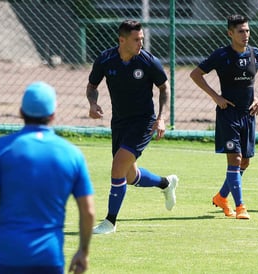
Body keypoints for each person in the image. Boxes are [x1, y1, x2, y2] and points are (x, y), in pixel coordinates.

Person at [0, 81, 95, 274]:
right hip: (49, 258)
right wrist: (83, 251)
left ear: (21, 112)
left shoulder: (0, 148)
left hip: (4, 255)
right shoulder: (72, 154)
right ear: (53, 115)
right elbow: (88, 211)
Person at [86, 19, 178, 234]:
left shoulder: (148, 61)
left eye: (142, 39)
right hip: (119, 122)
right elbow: (92, 86)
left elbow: (164, 88)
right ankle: (166, 183)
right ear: (122, 40)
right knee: (129, 176)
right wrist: (92, 103)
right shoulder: (105, 60)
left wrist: (161, 118)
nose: (141, 43)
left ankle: (110, 222)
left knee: (118, 166)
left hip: (143, 121)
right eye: (136, 40)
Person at [190, 15, 258, 219]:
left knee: (245, 163)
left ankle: (221, 197)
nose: (246, 35)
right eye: (241, 31)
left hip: (249, 114)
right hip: (229, 115)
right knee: (235, 159)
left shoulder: (255, 53)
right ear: (230, 33)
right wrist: (216, 97)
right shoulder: (221, 55)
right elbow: (196, 74)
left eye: (247, 30)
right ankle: (241, 206)